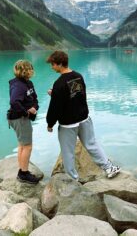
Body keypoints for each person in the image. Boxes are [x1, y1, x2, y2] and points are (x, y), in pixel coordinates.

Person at [46, 50, 121, 181]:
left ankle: (73, 179)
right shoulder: (78, 76)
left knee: (68, 152)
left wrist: (50, 123)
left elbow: (55, 107)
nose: (51, 67)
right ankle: (109, 168)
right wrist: (56, 94)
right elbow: (78, 96)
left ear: (59, 64)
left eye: (52, 64)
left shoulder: (59, 83)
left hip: (68, 124)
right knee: (92, 144)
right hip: (84, 118)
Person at [7, 60, 40, 184]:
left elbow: (35, 98)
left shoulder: (28, 83)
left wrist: (35, 108)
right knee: (27, 146)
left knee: (22, 145)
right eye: (31, 69)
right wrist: (26, 111)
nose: (32, 71)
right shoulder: (18, 85)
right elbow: (14, 102)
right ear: (26, 70)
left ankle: (22, 170)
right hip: (19, 118)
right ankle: (24, 174)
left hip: (19, 117)